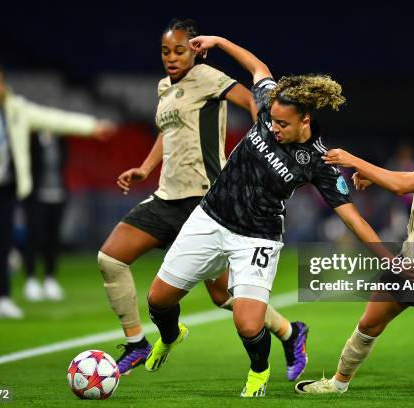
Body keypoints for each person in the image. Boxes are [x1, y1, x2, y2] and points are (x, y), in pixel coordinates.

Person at [142, 34, 398, 398]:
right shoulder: (268, 106)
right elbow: (258, 68)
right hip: (211, 217)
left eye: (282, 124)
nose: (273, 127)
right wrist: (218, 42)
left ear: (305, 120)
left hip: (257, 238)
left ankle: (259, 373)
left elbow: (351, 217)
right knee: (158, 300)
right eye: (272, 121)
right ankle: (170, 337)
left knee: (248, 323)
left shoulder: (319, 163)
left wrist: (389, 260)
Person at [97, 19, 309, 381]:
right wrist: (145, 168)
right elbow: (169, 131)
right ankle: (136, 343)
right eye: (166, 51)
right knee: (110, 259)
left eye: (180, 50)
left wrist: (268, 143)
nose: (172, 58)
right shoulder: (164, 86)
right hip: (167, 197)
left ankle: (290, 333)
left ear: (194, 51)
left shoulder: (209, 77)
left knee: (225, 296)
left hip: (209, 203)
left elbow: (253, 103)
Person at [295, 80, 414, 397]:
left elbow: (403, 186)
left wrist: (356, 162)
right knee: (370, 322)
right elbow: (411, 179)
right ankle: (338, 383)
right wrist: (373, 177)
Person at [0, 61, 114, 319]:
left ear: (3, 85)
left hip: (3, 190)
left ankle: (2, 299)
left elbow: (52, 118)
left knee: (1, 246)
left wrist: (91, 126)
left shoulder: (15, 110)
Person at [22, 130, 69, 302]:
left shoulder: (61, 138)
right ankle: (31, 279)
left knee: (53, 239)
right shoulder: (32, 139)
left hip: (57, 195)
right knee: (34, 238)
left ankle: (50, 279)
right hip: (36, 197)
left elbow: (63, 163)